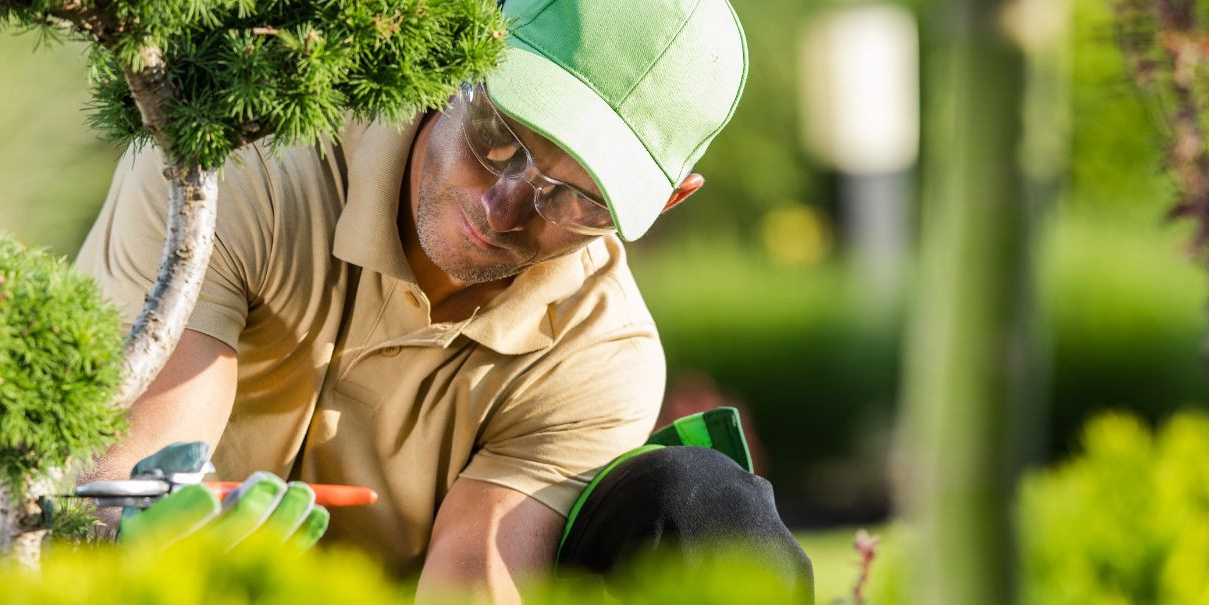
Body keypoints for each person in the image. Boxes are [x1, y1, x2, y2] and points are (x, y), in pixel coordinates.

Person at [73, 0, 811, 601]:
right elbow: (122, 479)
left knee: (709, 511)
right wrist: (145, 535)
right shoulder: (244, 167)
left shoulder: (601, 350)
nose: (502, 206)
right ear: (457, 58)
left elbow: (471, 585)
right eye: (499, 137)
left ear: (668, 202)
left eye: (576, 200)